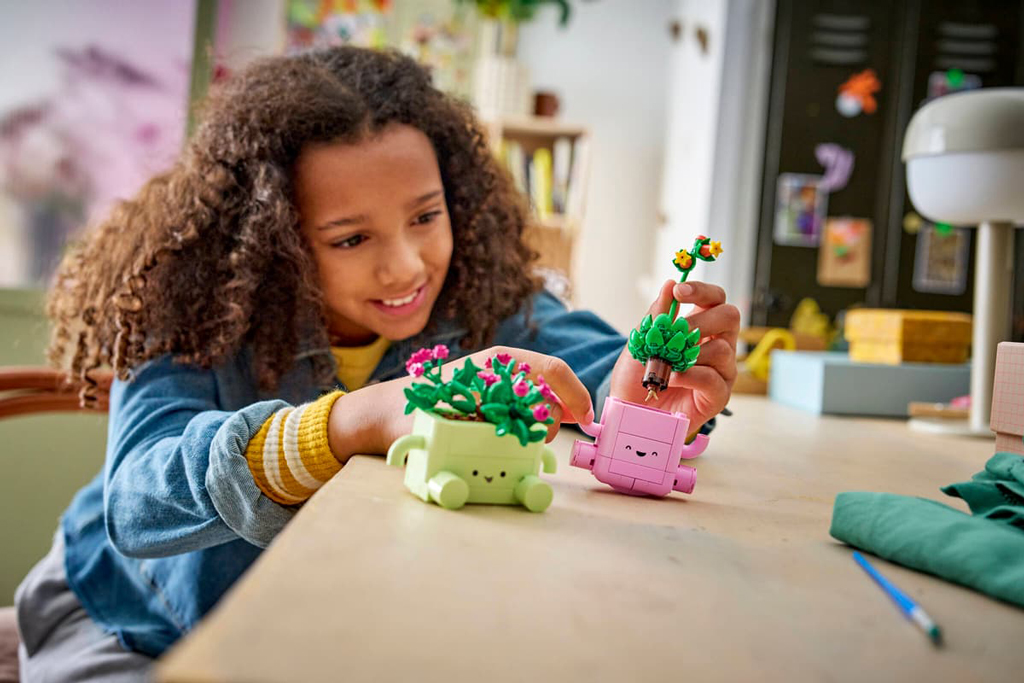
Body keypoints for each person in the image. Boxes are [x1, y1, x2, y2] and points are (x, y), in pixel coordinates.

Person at [15, 46, 739, 680]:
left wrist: (643, 398)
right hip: (127, 620)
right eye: (351, 239)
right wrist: (355, 419)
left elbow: (605, 370)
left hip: (319, 625)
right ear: (275, 240)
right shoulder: (200, 318)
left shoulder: (481, 295)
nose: (406, 267)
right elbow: (137, 505)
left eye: (425, 217)